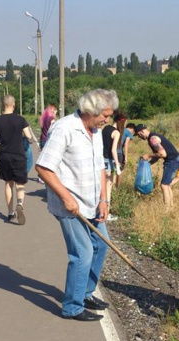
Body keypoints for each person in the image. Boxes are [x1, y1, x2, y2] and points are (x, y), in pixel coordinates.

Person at [35, 89, 118, 321]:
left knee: (102, 245)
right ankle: (72, 306)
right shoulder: (64, 129)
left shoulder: (96, 131)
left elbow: (100, 166)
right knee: (83, 253)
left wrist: (103, 199)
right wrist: (65, 197)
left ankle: (85, 293)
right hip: (70, 206)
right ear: (90, 111)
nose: (107, 120)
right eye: (105, 115)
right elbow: (43, 167)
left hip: (93, 203)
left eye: (110, 116)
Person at [0, 95, 36, 225]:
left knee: (8, 184)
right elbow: (29, 137)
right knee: (20, 184)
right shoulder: (20, 120)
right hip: (19, 156)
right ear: (13, 104)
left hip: (5, 156)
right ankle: (20, 203)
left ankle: (10, 213)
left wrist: (0, 139)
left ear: (3, 105)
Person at [135, 124, 179, 208]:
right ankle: (171, 207)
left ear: (141, 132)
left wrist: (148, 155)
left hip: (171, 161)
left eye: (138, 135)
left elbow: (162, 154)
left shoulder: (152, 139)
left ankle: (167, 209)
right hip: (175, 159)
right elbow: (157, 155)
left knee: (164, 185)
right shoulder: (153, 137)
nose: (139, 137)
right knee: (167, 184)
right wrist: (148, 164)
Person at [101, 118, 121, 221]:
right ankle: (106, 213)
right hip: (108, 161)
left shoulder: (105, 128)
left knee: (101, 186)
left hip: (101, 160)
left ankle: (99, 210)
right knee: (108, 187)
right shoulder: (116, 133)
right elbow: (114, 150)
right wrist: (117, 165)